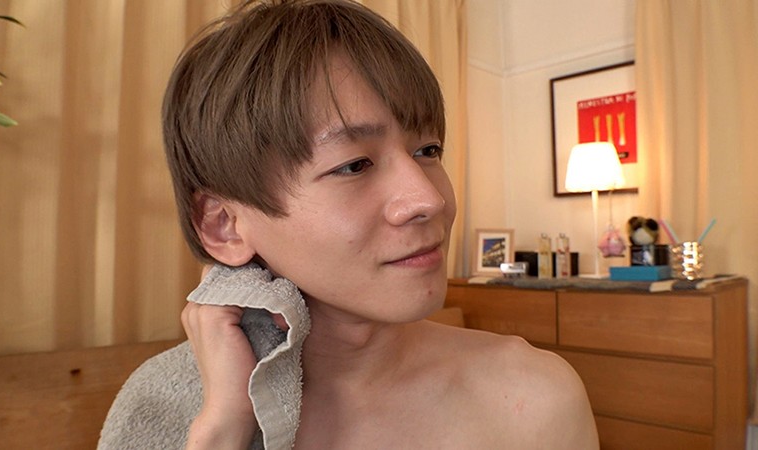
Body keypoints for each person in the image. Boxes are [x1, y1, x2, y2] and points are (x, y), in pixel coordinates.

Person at [100, 0, 599, 448]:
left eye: (428, 150)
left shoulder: (535, 394)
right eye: (354, 165)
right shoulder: (160, 406)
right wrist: (223, 430)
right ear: (225, 225)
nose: (429, 200)